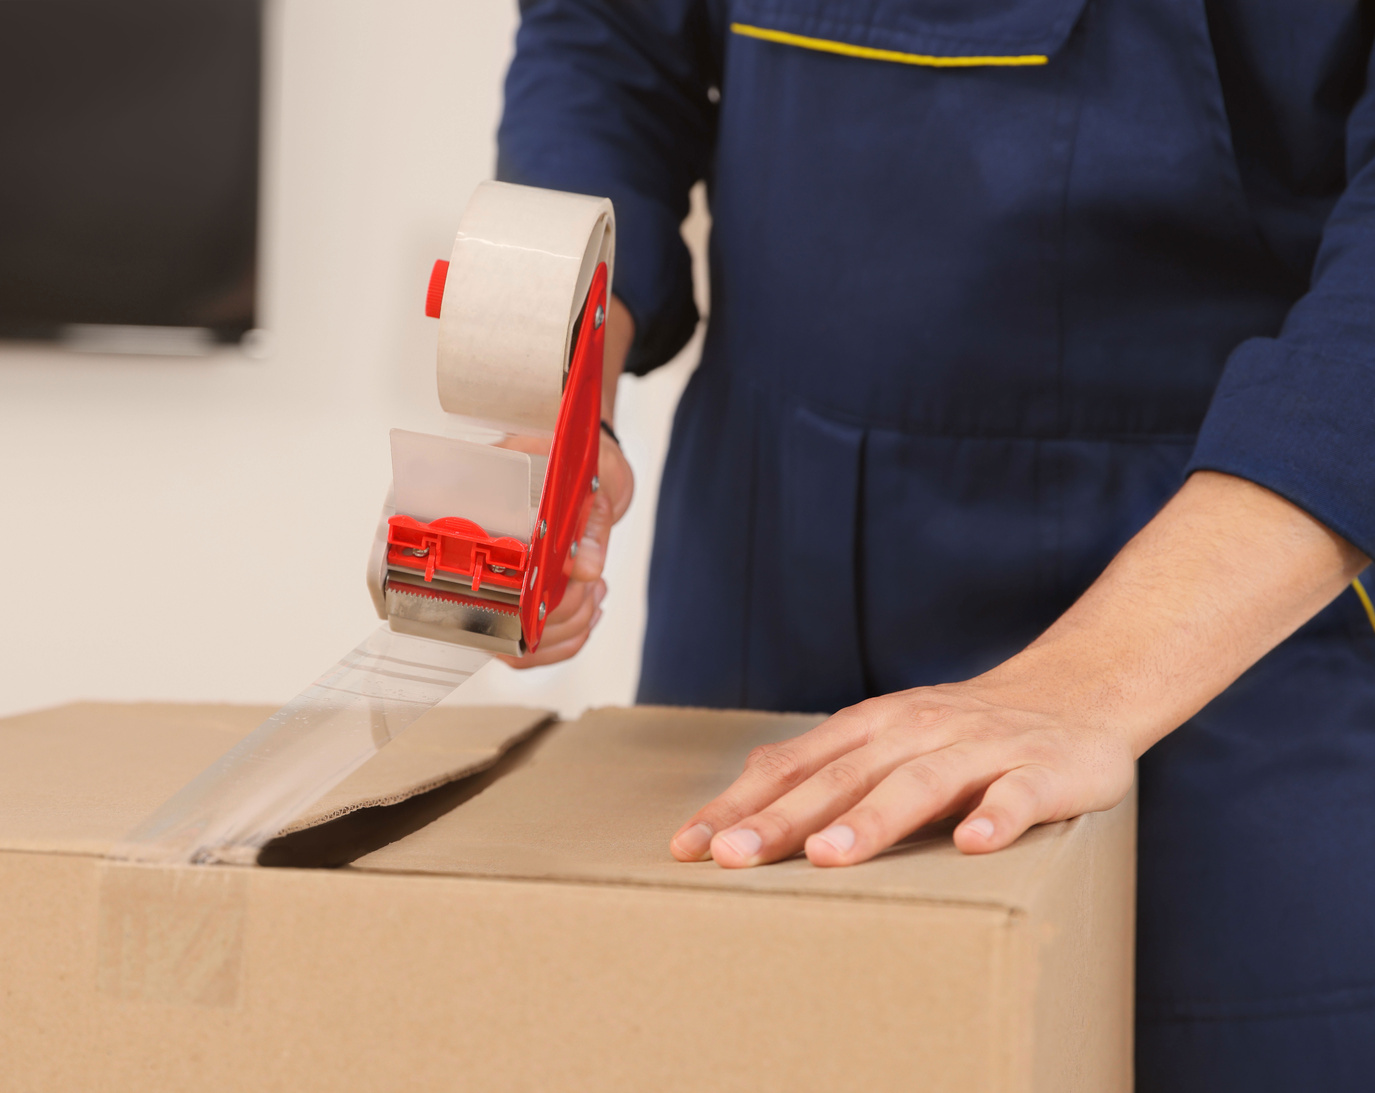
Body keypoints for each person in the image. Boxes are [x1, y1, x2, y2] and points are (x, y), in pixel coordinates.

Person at [492, 2, 1375, 1089]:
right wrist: (553, 373)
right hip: (759, 571)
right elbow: (608, 35)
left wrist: (1088, 683)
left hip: (1220, 611)